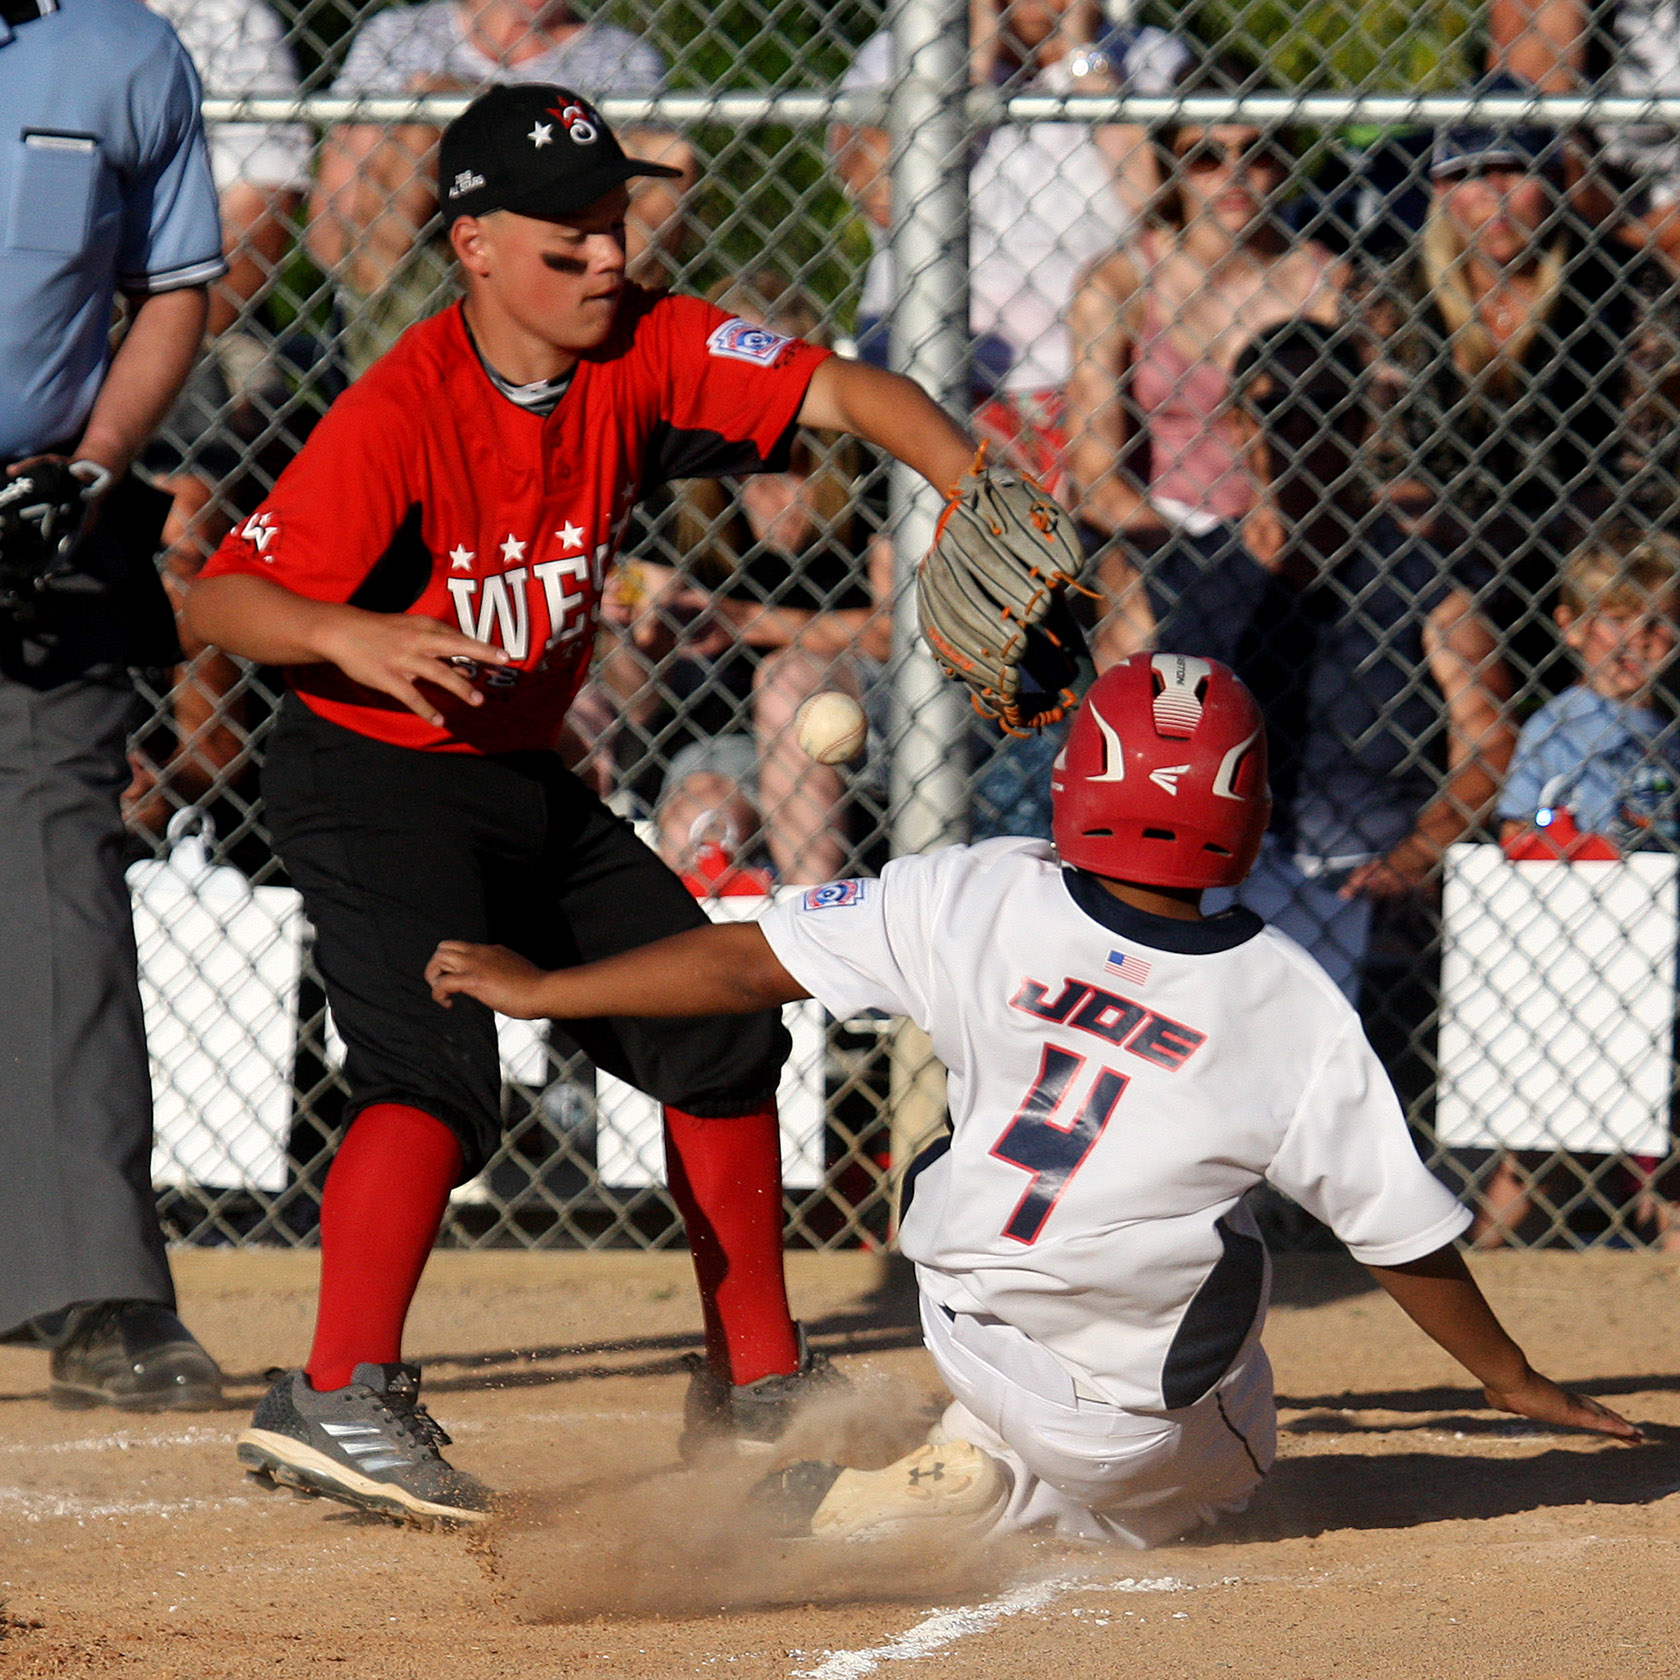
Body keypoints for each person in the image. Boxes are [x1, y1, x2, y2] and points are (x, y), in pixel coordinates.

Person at [185, 83, 987, 1527]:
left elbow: (843, 391)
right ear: (474, 244)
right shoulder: (401, 410)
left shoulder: (641, 348)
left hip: (509, 770)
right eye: (568, 239)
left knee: (722, 1025)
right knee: (436, 1072)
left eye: (612, 224)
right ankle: (335, 1392)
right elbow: (225, 596)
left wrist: (973, 473)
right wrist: (354, 634)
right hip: (367, 771)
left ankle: (756, 1390)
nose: (606, 257)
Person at [425, 655, 1640, 1547]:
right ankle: (990, 1501)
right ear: (1248, 817)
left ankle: (984, 1451)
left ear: (1078, 788)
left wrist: (548, 989)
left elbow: (746, 958)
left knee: (1019, 1174)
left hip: (956, 1319)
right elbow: (1404, 1238)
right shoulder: (1288, 1001)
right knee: (1230, 1464)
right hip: (1122, 1411)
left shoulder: (978, 894)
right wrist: (1509, 1377)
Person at [0, 0, 226, 1407]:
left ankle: (95, 1287)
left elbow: (173, 285)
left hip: (36, 516)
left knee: (58, 878)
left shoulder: (121, 51)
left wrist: (89, 466)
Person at [1094, 318, 1516, 1003]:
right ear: (1236, 424)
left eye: (1324, 409)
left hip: (1368, 868)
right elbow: (1108, 744)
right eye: (1276, 409)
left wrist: (1415, 858)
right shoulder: (1174, 580)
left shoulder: (1423, 578)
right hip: (1209, 867)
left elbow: (1490, 739)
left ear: (1358, 424)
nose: (1300, 432)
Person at [1377, 90, 1674, 698]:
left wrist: (1531, 533)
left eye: (1515, 170)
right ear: (1437, 190)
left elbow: (1647, 464)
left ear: (1556, 178)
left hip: (1591, 539)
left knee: (1621, 577)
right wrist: (1461, 538)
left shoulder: (1623, 281)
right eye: (1467, 175)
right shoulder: (1393, 287)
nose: (1494, 195)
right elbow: (1380, 461)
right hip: (1440, 545)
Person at [832, 0, 1185, 497]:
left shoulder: (1146, 55)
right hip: (923, 378)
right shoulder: (901, 51)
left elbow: (1163, 208)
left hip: (1097, 390)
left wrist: (1083, 59)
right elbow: (884, 196)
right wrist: (972, 63)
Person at [1475, 528, 1680, 1248]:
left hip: (1658, 967)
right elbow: (1517, 833)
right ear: (1568, 627)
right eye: (1613, 620)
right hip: (1582, 961)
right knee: (1533, 1150)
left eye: (1658, 622)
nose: (1637, 640)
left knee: (1665, 1145)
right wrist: (1589, 851)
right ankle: (1483, 1254)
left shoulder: (1668, 731)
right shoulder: (1556, 729)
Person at [310, 0, 694, 380]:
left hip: (555, 255)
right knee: (432, 105)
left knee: (674, 156)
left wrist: (498, 133)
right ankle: (407, 368)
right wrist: (535, 139)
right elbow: (331, 231)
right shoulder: (397, 34)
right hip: (424, 264)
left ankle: (585, 358)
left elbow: (659, 159)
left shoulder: (618, 54)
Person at [1065, 56, 1346, 545]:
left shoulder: (1326, 284)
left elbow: (1359, 461)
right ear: (1172, 166)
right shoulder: (1119, 284)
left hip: (1296, 536)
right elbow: (1096, 482)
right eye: (1206, 157)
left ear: (1282, 159)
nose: (1233, 174)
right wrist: (1202, 568)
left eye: (1254, 151)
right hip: (1157, 533)